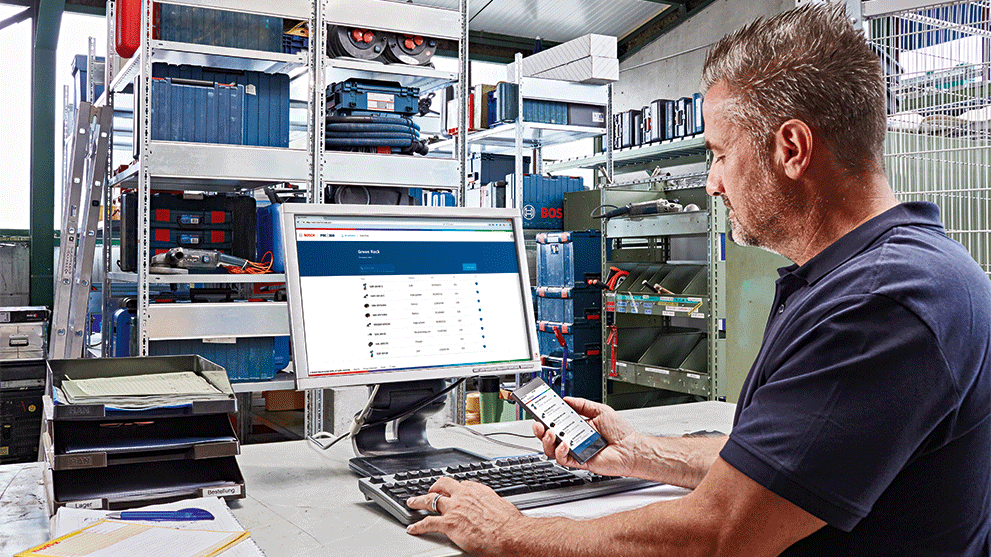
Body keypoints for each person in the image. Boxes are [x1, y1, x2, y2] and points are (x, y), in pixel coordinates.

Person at [406, 3, 991, 555]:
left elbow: (720, 534)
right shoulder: (880, 275)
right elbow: (780, 469)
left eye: (718, 154)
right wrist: (642, 452)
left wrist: (511, 531)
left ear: (791, 148)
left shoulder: (881, 305)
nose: (712, 184)